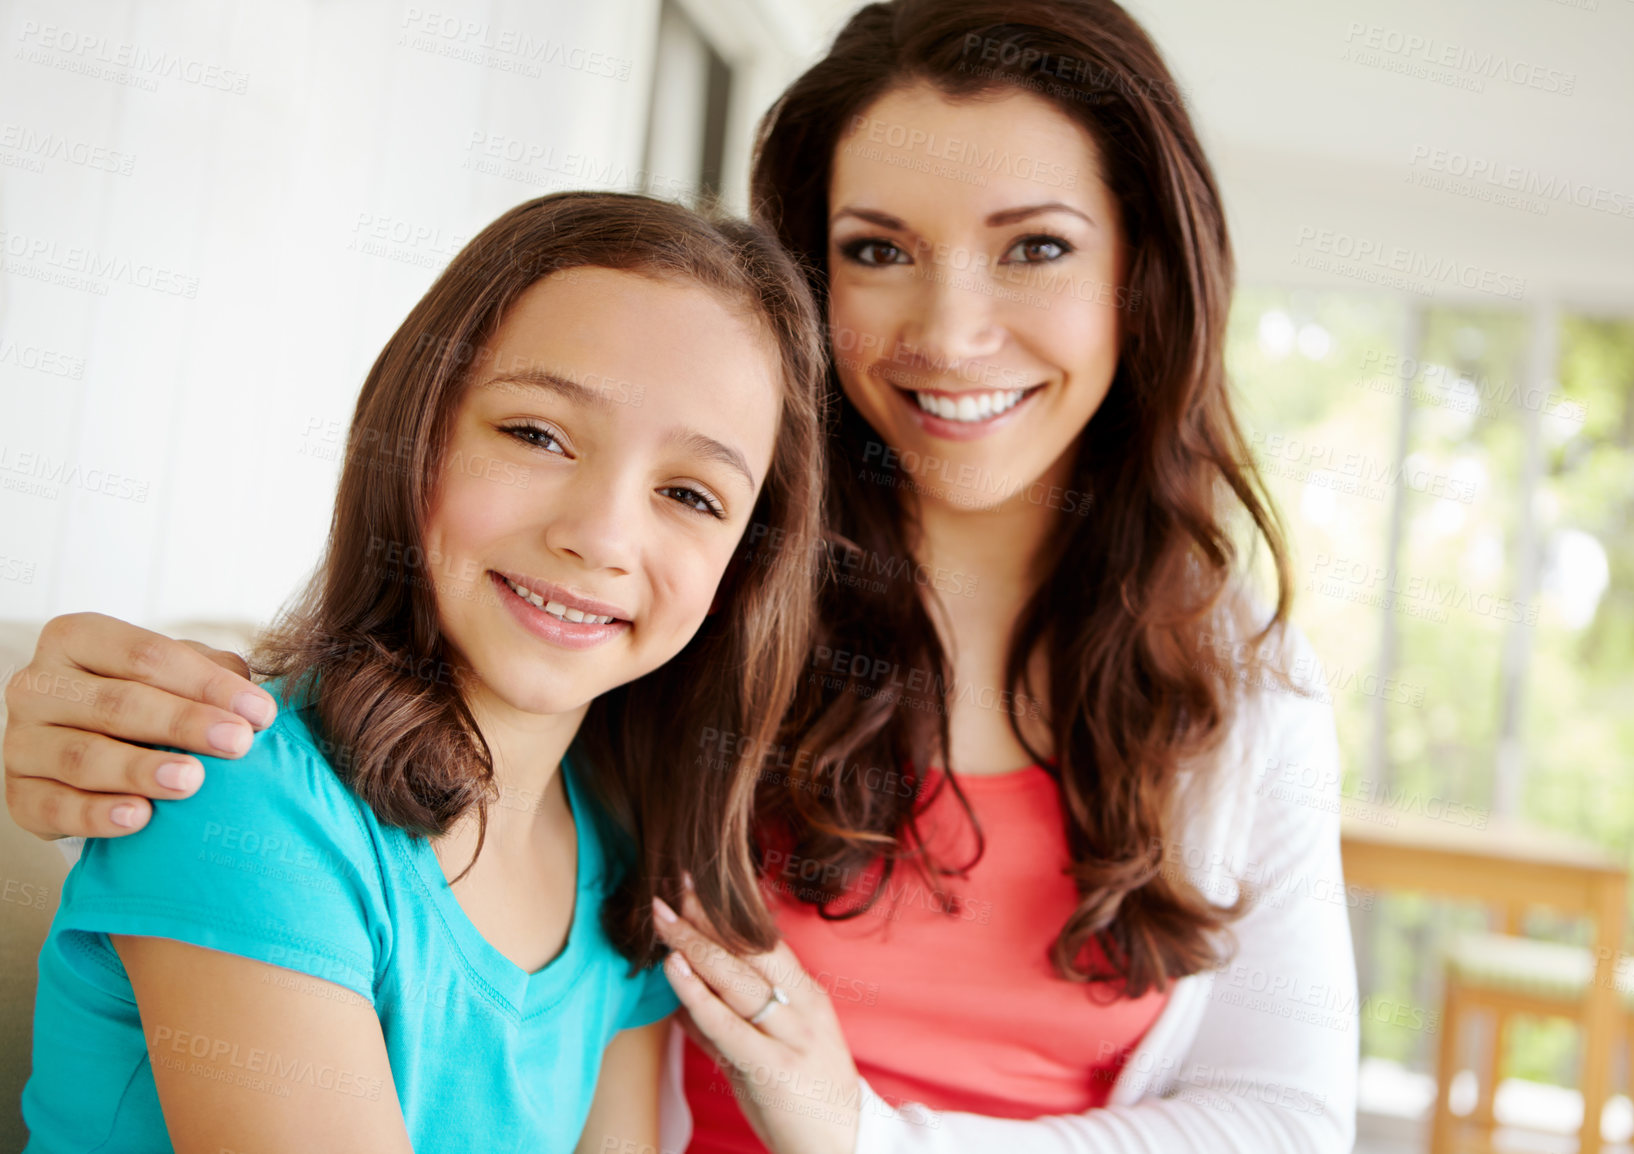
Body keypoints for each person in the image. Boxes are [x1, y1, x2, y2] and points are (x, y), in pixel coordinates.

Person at [4, 2, 1358, 1152]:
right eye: (874, 247)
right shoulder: (704, 611)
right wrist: (84, 693)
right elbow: (402, 697)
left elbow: (1289, 1118)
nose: (949, 329)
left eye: (1037, 244)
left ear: (1147, 273)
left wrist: (862, 1135)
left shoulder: (1246, 698)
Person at [16, 191, 828, 1154]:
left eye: (691, 494)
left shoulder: (619, 855)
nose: (602, 537)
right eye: (536, 434)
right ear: (418, 434)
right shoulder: (243, 793)